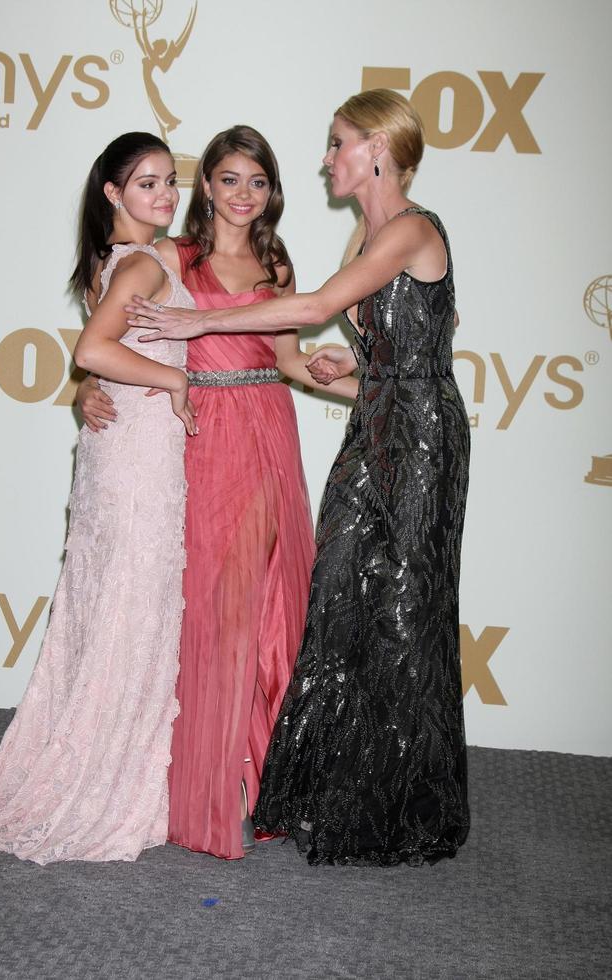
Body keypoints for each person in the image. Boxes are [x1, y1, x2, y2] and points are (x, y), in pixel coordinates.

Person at [125, 90, 471, 866]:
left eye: (338, 143)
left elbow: (315, 306)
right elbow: (408, 334)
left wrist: (203, 321)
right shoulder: (367, 230)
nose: (326, 158)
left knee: (405, 616)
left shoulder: (411, 225)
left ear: (376, 147)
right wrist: (360, 366)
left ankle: (405, 809)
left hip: (415, 442)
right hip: (377, 422)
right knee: (341, 601)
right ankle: (333, 790)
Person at [77, 124, 359, 860]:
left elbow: (291, 362)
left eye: (257, 182)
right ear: (205, 186)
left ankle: (267, 777)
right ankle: (199, 786)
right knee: (211, 609)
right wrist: (86, 389)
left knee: (275, 605)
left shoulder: (276, 260)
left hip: (270, 429)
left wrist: (352, 381)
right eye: (228, 179)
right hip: (204, 437)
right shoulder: (173, 256)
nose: (242, 194)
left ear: (272, 193)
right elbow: (117, 337)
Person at [0, 132, 196, 864]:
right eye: (146, 184)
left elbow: (105, 361)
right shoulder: (139, 263)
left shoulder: (116, 260)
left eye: (168, 181)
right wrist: (175, 382)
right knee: (128, 605)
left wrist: (102, 389)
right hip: (137, 461)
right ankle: (101, 786)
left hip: (116, 452)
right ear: (113, 194)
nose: (164, 195)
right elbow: (92, 352)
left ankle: (91, 767)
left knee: (109, 606)